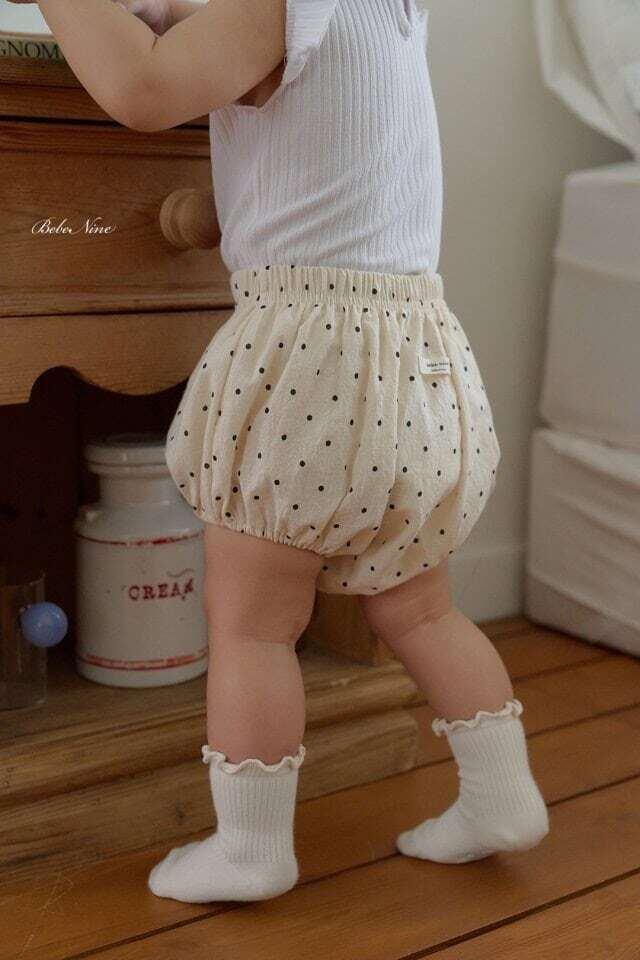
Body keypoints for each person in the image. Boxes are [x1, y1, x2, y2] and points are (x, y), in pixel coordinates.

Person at [21, 0, 549, 904]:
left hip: (314, 357)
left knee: (253, 624)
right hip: (420, 355)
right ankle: (502, 795)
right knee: (421, 610)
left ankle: (250, 849)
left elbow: (143, 88)